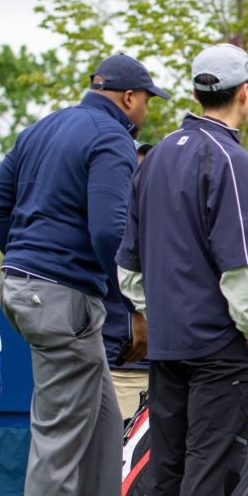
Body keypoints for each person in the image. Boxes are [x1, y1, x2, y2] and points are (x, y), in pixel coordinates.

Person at [0, 54, 169, 496]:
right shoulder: (112, 139)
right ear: (130, 99)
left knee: (105, 427)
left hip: (27, 288)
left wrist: (28, 255)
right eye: (147, 101)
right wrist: (133, 301)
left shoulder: (42, 128)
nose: (146, 112)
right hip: (62, 299)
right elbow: (111, 231)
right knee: (59, 445)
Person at [116, 43, 248, 496]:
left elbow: (128, 265)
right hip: (218, 341)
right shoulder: (233, 161)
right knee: (208, 466)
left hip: (169, 340)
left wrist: (159, 314)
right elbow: (244, 265)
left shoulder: (154, 157)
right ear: (244, 92)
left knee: (169, 464)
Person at [107, 142, 153, 421]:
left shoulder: (168, 222)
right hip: (122, 369)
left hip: (167, 372)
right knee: (121, 459)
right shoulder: (108, 228)